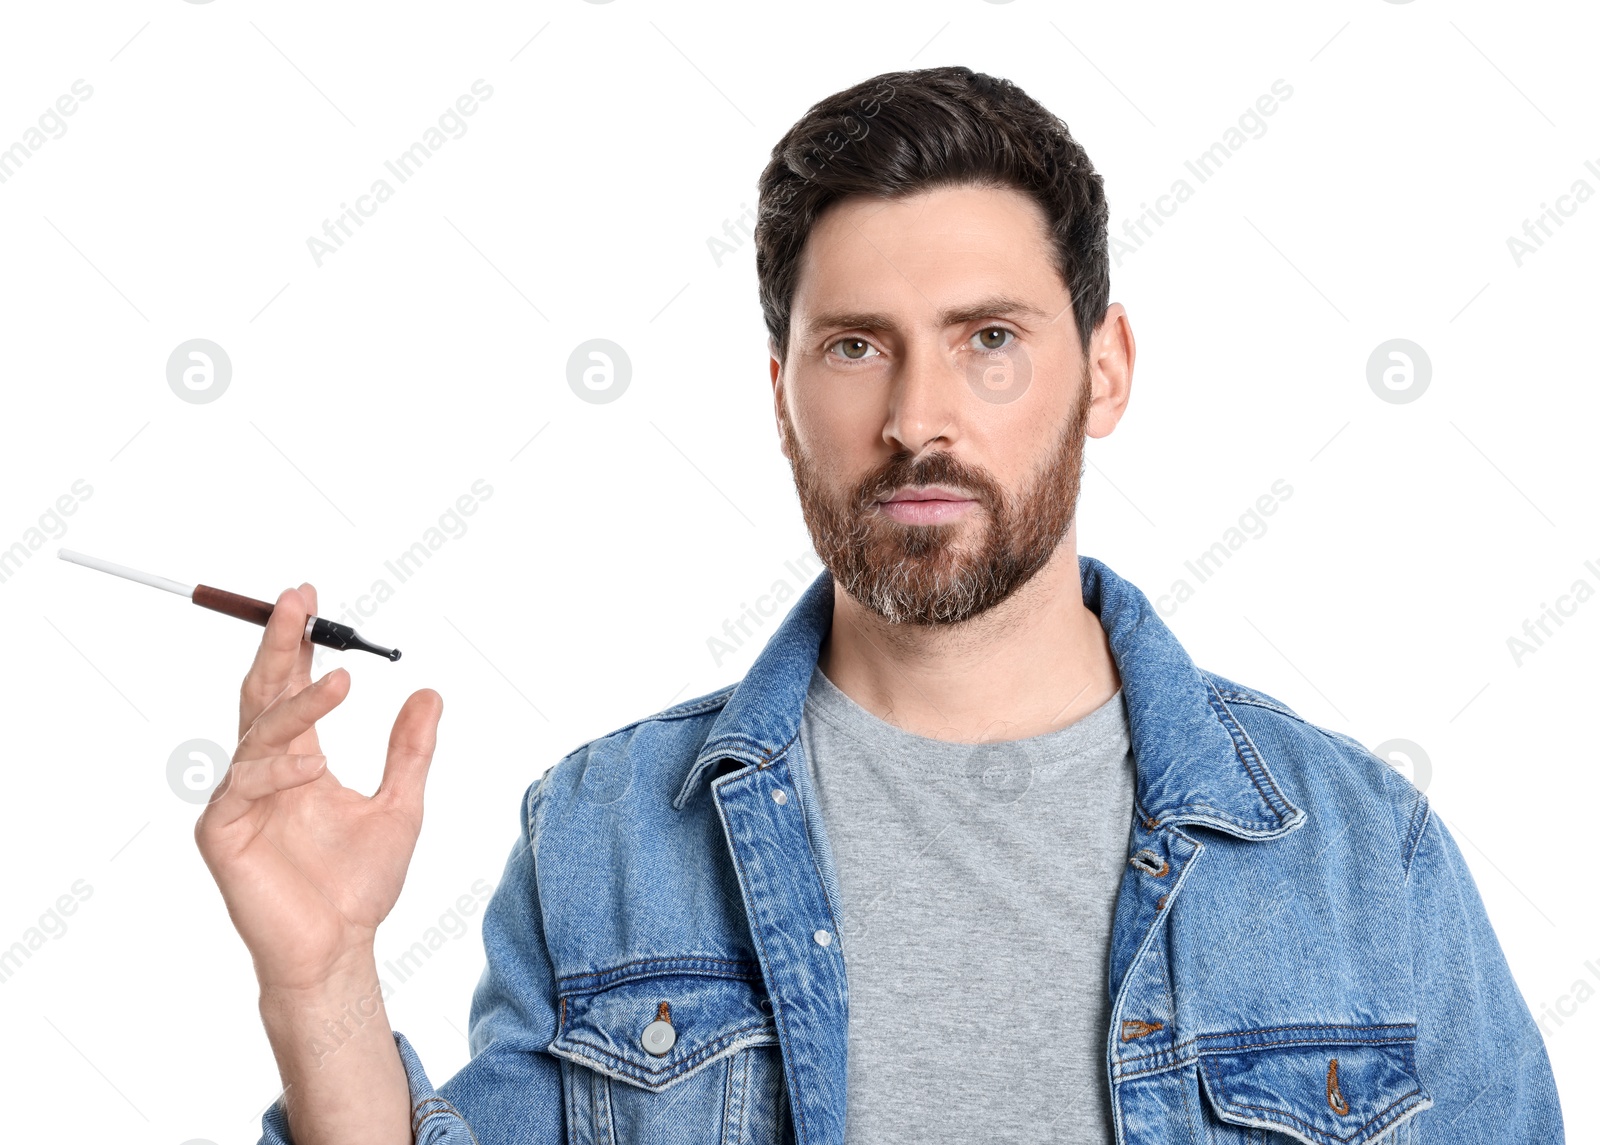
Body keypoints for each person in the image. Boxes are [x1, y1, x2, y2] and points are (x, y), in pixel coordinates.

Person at [198, 65, 1563, 1144]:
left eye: (989, 341)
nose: (919, 418)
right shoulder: (605, 835)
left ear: (1107, 368)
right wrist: (321, 982)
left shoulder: (1354, 853)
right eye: (855, 346)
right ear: (780, 393)